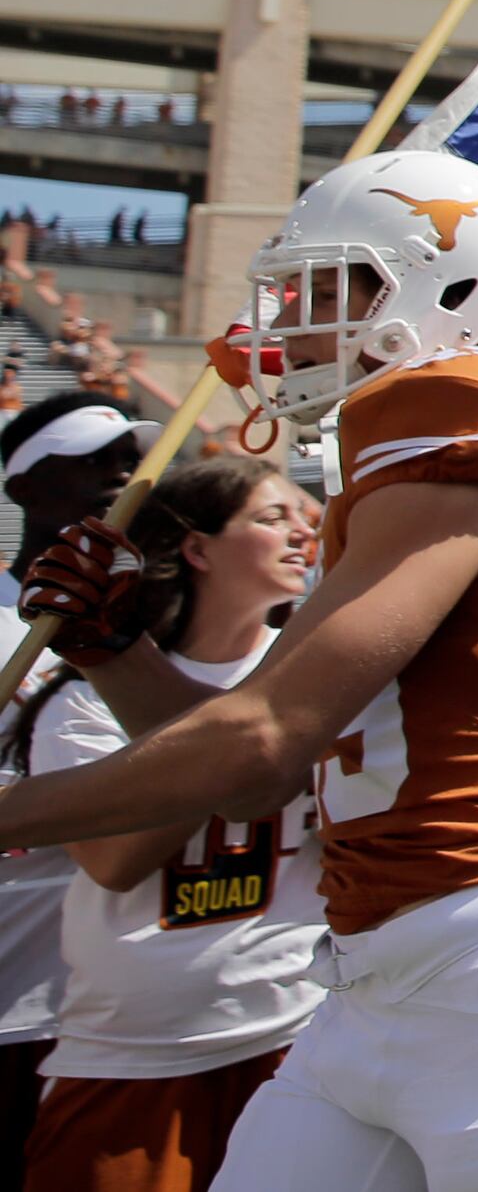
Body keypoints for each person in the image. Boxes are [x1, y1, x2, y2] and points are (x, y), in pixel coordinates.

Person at [0, 149, 478, 1190]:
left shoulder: (464, 402)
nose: (289, 324)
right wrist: (117, 651)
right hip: (371, 970)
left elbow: (264, 741)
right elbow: (260, 753)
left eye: (319, 289)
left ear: (437, 288)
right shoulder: (392, 462)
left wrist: (8, 809)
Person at [17, 455, 324, 1192]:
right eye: (272, 517)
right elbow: (114, 858)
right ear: (197, 547)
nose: (301, 538)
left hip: (298, 1036)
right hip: (135, 1048)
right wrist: (241, 753)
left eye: (308, 523)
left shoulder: (314, 676)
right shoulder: (85, 694)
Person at [0, 388, 157, 1169]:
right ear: (23, 487)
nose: (121, 473)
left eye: (129, 459)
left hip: (110, 1019)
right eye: (93, 458)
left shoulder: (162, 630)